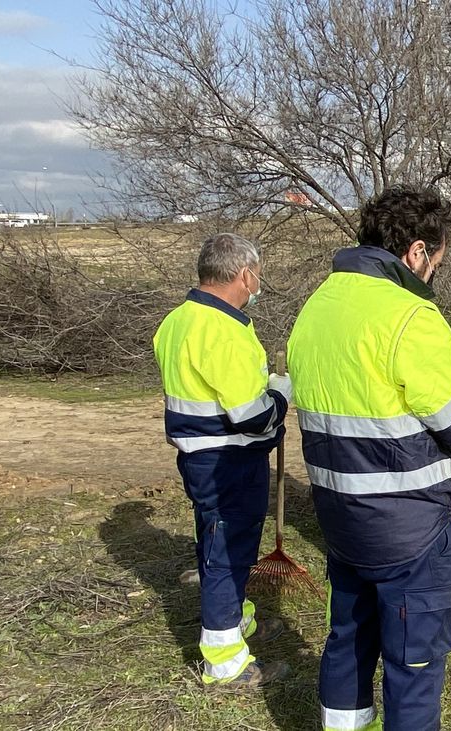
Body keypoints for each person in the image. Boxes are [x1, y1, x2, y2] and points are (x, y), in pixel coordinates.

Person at [288, 185, 451, 731]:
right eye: (437, 261)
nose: (434, 273)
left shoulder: (316, 308)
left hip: (339, 519)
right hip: (410, 530)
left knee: (348, 640)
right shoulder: (409, 316)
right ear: (417, 251)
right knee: (414, 664)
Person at [152, 232, 292, 687]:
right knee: (227, 555)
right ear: (244, 275)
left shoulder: (176, 321)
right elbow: (251, 417)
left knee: (214, 541)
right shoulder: (223, 331)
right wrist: (280, 397)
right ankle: (225, 660)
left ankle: (237, 618)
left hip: (198, 458)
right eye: (258, 275)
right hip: (228, 461)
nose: (258, 284)